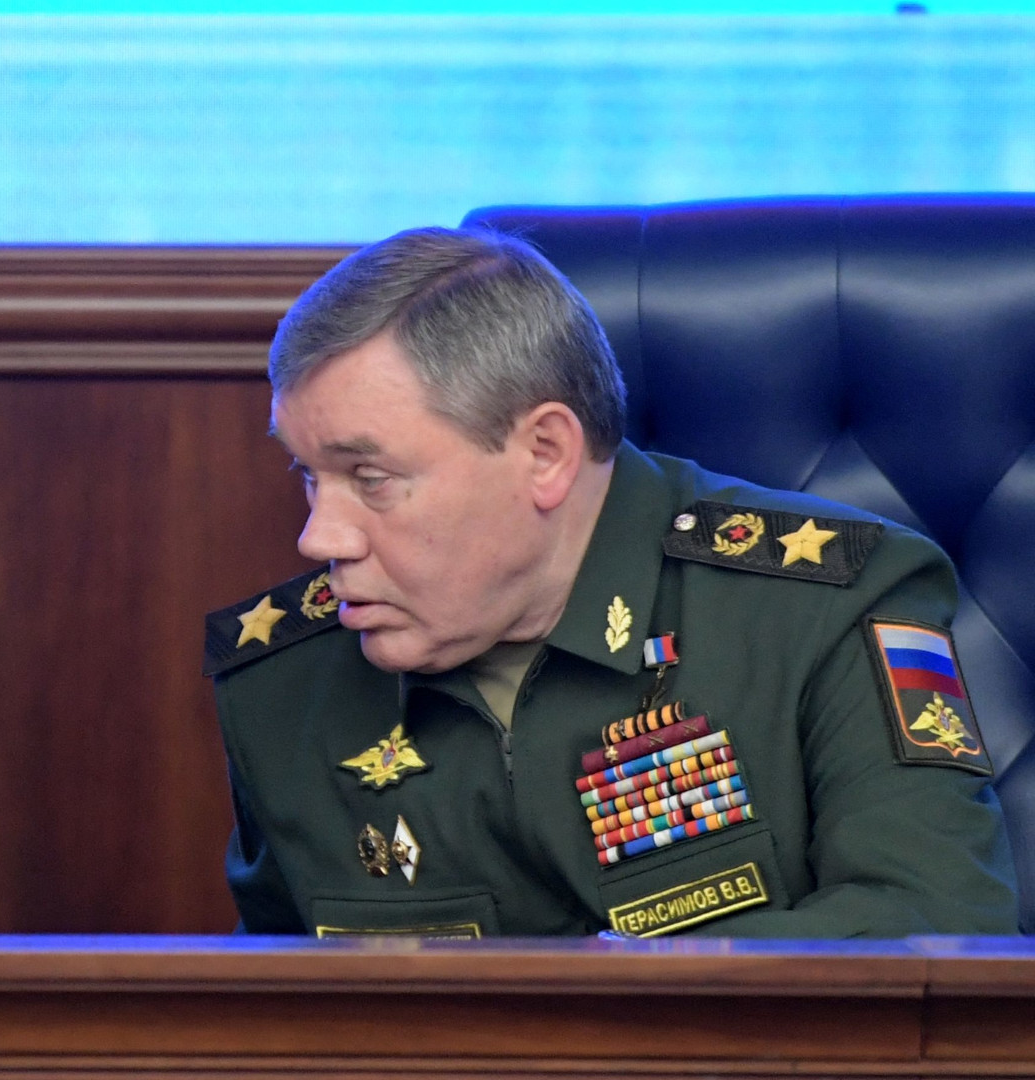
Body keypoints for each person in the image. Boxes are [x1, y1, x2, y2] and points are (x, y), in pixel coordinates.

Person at [205, 226, 1017, 938]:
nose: (320, 536)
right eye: (309, 476)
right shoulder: (283, 682)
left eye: (369, 476)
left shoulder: (827, 606)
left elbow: (935, 932)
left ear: (546, 453)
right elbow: (273, 1018)